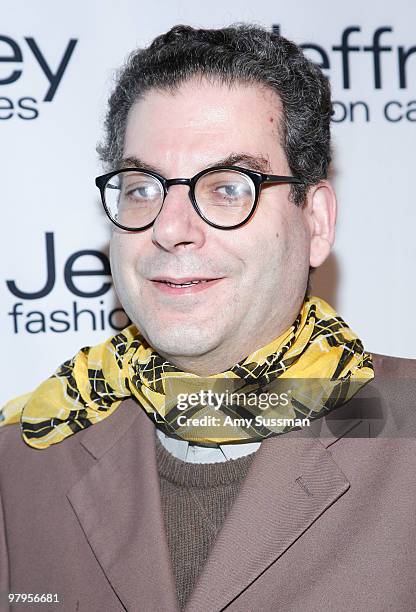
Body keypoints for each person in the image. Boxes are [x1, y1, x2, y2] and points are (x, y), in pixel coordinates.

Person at [0, 23, 415, 612]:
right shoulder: (26, 459)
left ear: (316, 221)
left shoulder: (409, 433)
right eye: (142, 188)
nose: (170, 229)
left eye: (227, 187)